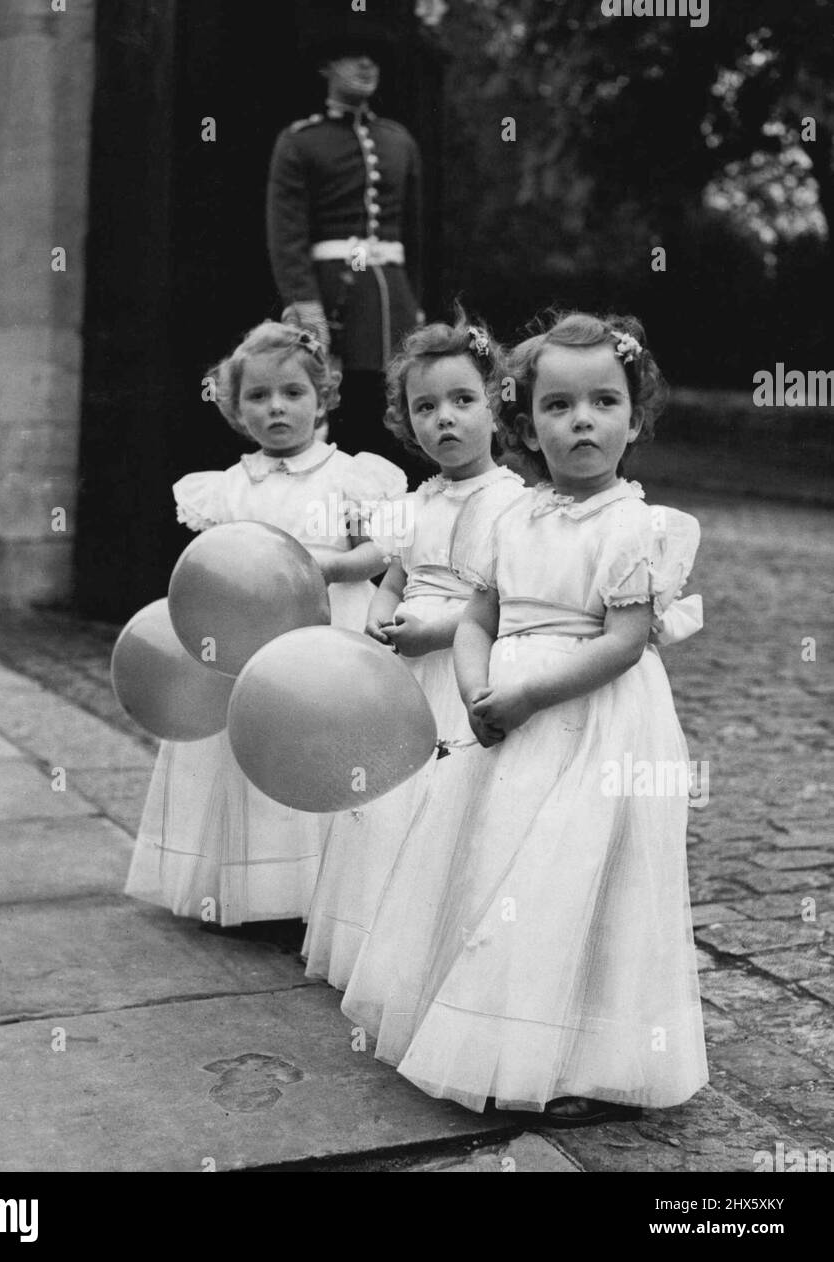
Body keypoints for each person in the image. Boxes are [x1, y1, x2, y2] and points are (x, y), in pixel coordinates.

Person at [343, 311, 708, 1124]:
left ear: (635, 418)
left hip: (593, 719)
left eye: (603, 403)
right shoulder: (515, 517)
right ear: (527, 425)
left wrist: (528, 695)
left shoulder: (640, 529)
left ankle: (585, 1055)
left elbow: (621, 645)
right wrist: (477, 690)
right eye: (557, 406)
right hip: (504, 714)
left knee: (573, 868)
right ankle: (487, 1029)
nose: (581, 421)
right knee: (492, 859)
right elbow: (479, 615)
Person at [125, 320, 406, 926]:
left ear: (324, 395)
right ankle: (259, 890)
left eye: (292, 393)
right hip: (246, 643)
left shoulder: (348, 477)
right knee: (246, 749)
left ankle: (324, 894)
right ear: (234, 409)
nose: (276, 408)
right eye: (257, 397)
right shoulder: (225, 490)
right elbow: (211, 570)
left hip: (327, 628)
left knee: (323, 742)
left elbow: (381, 554)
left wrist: (325, 566)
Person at [301, 311, 525, 988]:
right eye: (424, 407)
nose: (444, 420)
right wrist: (379, 620)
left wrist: (438, 631)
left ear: (496, 408)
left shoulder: (514, 504)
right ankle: (380, 953)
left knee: (444, 812)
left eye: (462, 401)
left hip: (458, 672)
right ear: (407, 422)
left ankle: (433, 960)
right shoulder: (411, 503)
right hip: (402, 678)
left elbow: (506, 602)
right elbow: (392, 576)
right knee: (385, 809)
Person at [266, 0, 424, 463]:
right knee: (344, 427)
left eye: (373, 55)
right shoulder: (300, 141)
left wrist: (418, 309)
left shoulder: (399, 140)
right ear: (325, 61)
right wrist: (309, 313)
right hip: (335, 304)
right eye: (354, 53)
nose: (366, 64)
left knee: (399, 423)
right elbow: (288, 239)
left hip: (395, 302)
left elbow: (416, 240)